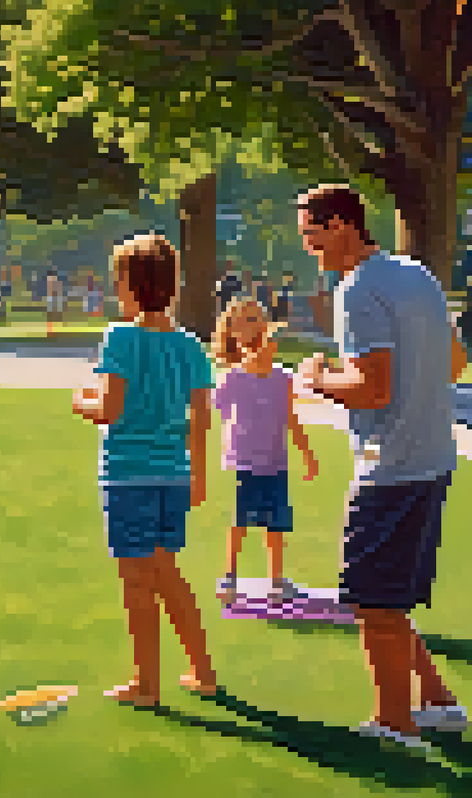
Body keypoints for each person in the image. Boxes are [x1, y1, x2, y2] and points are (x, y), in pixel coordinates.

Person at [294, 184, 467, 747]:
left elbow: (371, 390)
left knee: (371, 600)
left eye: (311, 235)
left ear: (342, 224)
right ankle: (438, 703)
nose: (309, 248)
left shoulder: (357, 290)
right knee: (386, 596)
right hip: (432, 459)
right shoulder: (416, 274)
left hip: (390, 468)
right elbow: (455, 362)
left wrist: (316, 378)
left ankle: (394, 723)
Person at [71, 233, 219, 707]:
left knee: (138, 581)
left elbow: (110, 408)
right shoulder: (191, 346)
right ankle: (201, 670)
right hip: (173, 475)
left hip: (128, 474)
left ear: (130, 287)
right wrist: (197, 476)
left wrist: (81, 402)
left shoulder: (120, 337)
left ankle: (146, 685)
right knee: (166, 574)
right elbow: (202, 418)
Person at [210, 297, 319, 604]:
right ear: (232, 333)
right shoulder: (232, 377)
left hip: (276, 463)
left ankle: (277, 581)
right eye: (245, 320)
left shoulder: (282, 378)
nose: (253, 325)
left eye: (257, 318)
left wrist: (307, 454)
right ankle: (228, 577)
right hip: (244, 462)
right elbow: (209, 411)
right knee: (241, 521)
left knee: (276, 523)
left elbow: (291, 419)